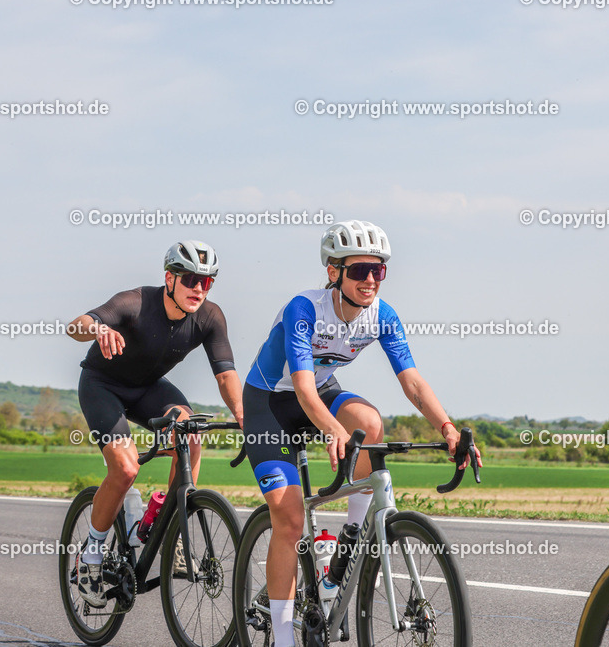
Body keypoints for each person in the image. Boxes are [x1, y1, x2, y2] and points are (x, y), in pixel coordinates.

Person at [243, 220, 481, 647]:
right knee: (291, 518)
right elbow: (301, 387)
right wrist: (333, 429)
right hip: (270, 402)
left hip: (322, 389)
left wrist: (445, 426)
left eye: (379, 270)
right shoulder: (305, 308)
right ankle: (281, 638)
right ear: (334, 272)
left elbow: (412, 382)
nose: (370, 280)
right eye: (359, 271)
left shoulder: (381, 315)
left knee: (371, 425)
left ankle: (350, 540)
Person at [66, 240, 243, 608]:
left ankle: (169, 529)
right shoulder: (135, 302)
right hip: (103, 385)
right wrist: (99, 330)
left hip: (148, 389)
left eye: (207, 282)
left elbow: (225, 375)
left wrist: (245, 415)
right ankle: (92, 555)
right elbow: (76, 325)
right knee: (126, 469)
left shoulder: (210, 317)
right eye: (192, 279)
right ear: (170, 278)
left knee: (191, 435)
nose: (199, 289)